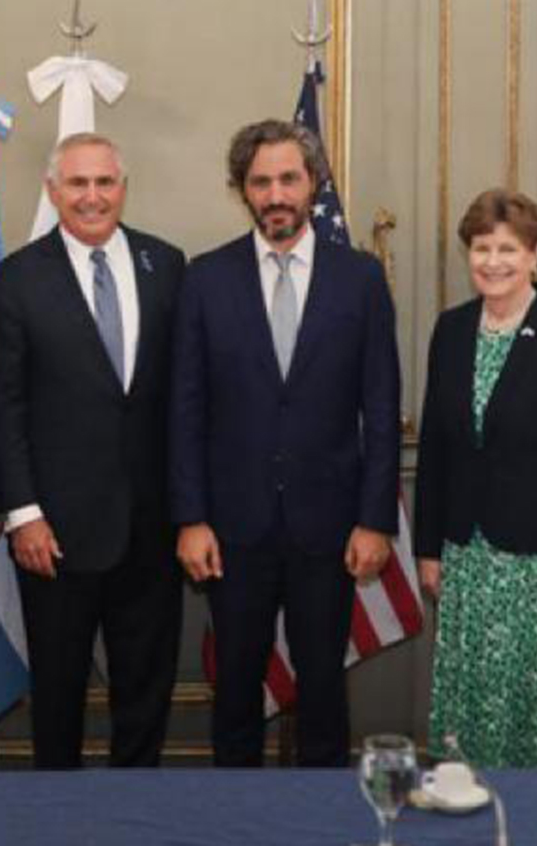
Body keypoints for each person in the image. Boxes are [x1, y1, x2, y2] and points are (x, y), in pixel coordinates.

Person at [170, 118, 401, 768]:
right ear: (242, 190)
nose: (276, 194)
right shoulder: (205, 279)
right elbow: (185, 410)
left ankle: (324, 825)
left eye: (289, 179)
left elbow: (381, 408)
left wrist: (375, 519)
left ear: (313, 184)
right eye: (261, 181)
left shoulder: (359, 279)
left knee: (324, 690)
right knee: (237, 689)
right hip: (231, 529)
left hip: (328, 529)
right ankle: (237, 825)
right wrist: (190, 518)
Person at [0, 132, 185, 768]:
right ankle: (59, 822)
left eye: (104, 182)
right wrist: (24, 513)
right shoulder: (17, 278)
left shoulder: (168, 265)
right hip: (57, 535)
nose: (92, 197)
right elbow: (4, 405)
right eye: (77, 183)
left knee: (145, 696)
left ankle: (137, 820)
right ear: (53, 191)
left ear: (123, 189)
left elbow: (186, 400)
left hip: (152, 529)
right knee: (58, 698)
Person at [415, 188, 537, 767]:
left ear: (536, 254)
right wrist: (428, 547)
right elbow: (436, 450)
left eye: (508, 248)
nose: (493, 261)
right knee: (472, 706)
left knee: (534, 710)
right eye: (481, 248)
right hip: (467, 562)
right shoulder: (451, 330)